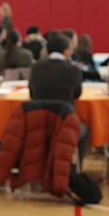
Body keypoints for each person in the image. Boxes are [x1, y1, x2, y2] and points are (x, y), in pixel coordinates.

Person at [29, 34, 88, 162]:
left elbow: (32, 95)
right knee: (85, 131)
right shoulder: (73, 70)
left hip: (38, 125)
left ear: (46, 51)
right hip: (65, 124)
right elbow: (77, 94)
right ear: (67, 51)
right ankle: (75, 169)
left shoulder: (36, 68)